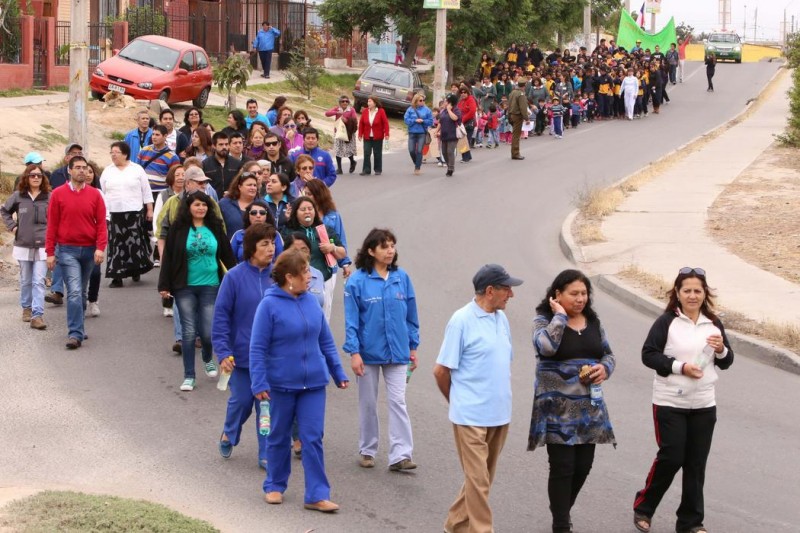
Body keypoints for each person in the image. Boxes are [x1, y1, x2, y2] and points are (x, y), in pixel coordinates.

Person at [633, 267, 734, 533]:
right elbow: (648, 355)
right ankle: (644, 507)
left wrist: (721, 348)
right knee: (672, 456)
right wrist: (680, 367)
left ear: (705, 294)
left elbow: (727, 362)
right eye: (686, 290)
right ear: (677, 293)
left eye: (697, 291)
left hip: (703, 403)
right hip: (670, 402)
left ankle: (690, 522)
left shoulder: (713, 323)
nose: (692, 295)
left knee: (696, 464)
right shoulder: (666, 322)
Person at [249, 249, 349, 511]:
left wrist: (338, 372)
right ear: (289, 277)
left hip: (314, 383)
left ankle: (317, 494)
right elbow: (257, 347)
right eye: (305, 272)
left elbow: (325, 340)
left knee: (312, 437)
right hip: (281, 384)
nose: (310, 277)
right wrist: (259, 382)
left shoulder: (310, 302)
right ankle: (274, 485)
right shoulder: (268, 305)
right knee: (279, 435)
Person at [433, 264, 523, 533]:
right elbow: (440, 371)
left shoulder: (501, 319)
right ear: (490, 290)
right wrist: (458, 402)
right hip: (470, 416)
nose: (511, 294)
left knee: (481, 480)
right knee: (478, 481)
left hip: (499, 414)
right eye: (507, 289)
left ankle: (454, 525)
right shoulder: (461, 320)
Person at [529, 269, 617, 533]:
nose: (581, 299)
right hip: (556, 409)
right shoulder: (543, 321)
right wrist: (559, 316)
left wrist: (605, 369)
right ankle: (561, 523)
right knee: (563, 466)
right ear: (558, 294)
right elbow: (545, 347)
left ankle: (561, 509)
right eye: (574, 294)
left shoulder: (593, 322)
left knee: (583, 467)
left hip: (588, 408)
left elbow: (609, 355)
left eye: (584, 293)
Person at [343, 228, 419, 471]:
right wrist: (354, 352)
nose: (390, 251)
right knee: (368, 402)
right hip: (367, 354)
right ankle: (368, 449)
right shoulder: (357, 281)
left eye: (392, 246)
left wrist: (413, 348)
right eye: (384, 246)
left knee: (398, 401)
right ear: (370, 250)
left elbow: (411, 316)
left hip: (398, 353)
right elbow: (351, 321)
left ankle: (401, 455)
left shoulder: (401, 278)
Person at [212, 223, 277, 469]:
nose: (270, 248)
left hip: (271, 358)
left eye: (272, 243)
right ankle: (230, 431)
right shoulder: (234, 277)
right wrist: (223, 352)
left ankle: (267, 452)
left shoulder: (279, 276)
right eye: (264, 244)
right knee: (241, 401)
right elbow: (221, 318)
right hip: (241, 356)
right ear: (251, 248)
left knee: (267, 406)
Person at [158, 191, 236, 391]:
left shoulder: (215, 227)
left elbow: (227, 253)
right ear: (189, 207)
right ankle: (189, 376)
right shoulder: (178, 229)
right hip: (184, 286)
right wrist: (164, 285)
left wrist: (238, 276)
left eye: (204, 205)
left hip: (211, 285)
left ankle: (208, 356)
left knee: (209, 332)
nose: (201, 208)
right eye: (197, 205)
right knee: (189, 331)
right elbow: (168, 257)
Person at [45, 156, 108, 349]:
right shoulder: (57, 194)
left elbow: (101, 224)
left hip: (89, 250)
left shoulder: (95, 194)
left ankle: (78, 328)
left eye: (85, 168)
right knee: (73, 292)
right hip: (67, 250)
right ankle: (74, 333)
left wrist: (100, 247)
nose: (82, 171)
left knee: (80, 292)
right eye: (78, 168)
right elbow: (52, 225)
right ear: (69, 171)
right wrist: (50, 252)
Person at [280, 196, 347, 320]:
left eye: (310, 208)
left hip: (323, 279)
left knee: (323, 316)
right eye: (303, 209)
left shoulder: (324, 230)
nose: (307, 212)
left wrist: (333, 248)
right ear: (295, 213)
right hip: (297, 280)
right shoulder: (288, 231)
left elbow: (343, 252)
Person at [1, 163, 51, 330]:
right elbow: (4, 211)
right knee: (26, 280)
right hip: (23, 244)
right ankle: (26, 308)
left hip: (43, 245)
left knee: (39, 280)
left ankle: (37, 315)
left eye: (39, 175)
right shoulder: (18, 196)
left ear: (43, 178)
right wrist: (13, 227)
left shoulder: (49, 197)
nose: (36, 177)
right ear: (26, 178)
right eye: (32, 175)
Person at [100, 141, 154, 288]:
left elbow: (146, 191)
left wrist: (149, 209)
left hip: (134, 212)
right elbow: (102, 193)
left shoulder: (137, 169)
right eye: (111, 152)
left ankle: (135, 269)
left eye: (116, 152)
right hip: (114, 213)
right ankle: (116, 276)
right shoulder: (107, 171)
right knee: (116, 245)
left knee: (134, 243)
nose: (113, 155)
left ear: (125, 153)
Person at [301, 178, 352, 319]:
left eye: (310, 194)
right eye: (305, 193)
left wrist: (345, 263)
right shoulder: (302, 215)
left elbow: (341, 240)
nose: (307, 197)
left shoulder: (333, 216)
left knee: (325, 306)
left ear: (319, 195)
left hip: (329, 267)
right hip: (307, 267)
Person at [229, 199, 284, 264]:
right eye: (254, 213)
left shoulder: (275, 234)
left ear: (267, 216)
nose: (258, 215)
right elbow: (230, 260)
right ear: (248, 215)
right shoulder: (238, 235)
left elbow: (280, 260)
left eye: (262, 213)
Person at [135, 125, 181, 199]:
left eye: (157, 135)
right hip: (144, 191)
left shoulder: (172, 156)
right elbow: (136, 170)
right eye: (153, 134)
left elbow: (174, 178)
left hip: (161, 193)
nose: (154, 137)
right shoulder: (144, 150)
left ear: (165, 136)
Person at [219, 170, 259, 239]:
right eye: (249, 185)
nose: (253, 188)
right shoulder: (224, 203)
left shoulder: (262, 204)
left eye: (255, 185)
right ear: (239, 187)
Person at [203, 132, 243, 198]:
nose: (224, 147)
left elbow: (241, 183)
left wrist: (232, 193)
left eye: (226, 144)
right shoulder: (205, 164)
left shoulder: (236, 163)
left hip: (232, 200)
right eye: (221, 144)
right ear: (214, 146)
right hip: (212, 201)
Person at [325, 95, 359, 175]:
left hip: (348, 132)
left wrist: (346, 120)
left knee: (348, 150)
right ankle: (339, 169)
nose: (345, 103)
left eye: (346, 101)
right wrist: (337, 112)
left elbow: (355, 120)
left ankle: (352, 162)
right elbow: (327, 113)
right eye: (343, 101)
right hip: (338, 132)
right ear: (340, 102)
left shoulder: (351, 110)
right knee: (338, 149)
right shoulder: (337, 109)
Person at [357, 96, 389, 176]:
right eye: (368, 101)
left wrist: (386, 134)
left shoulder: (381, 111)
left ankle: (378, 169)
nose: (368, 103)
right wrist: (360, 134)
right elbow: (361, 123)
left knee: (377, 153)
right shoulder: (365, 111)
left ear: (375, 103)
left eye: (370, 101)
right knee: (366, 152)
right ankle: (366, 170)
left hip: (378, 136)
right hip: (367, 136)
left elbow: (385, 123)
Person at [403, 93, 433, 176]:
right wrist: (415, 121)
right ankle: (417, 162)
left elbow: (431, 121)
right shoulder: (410, 109)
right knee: (411, 150)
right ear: (416, 101)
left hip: (422, 133)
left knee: (419, 150)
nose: (422, 102)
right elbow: (406, 120)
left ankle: (417, 167)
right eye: (420, 100)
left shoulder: (427, 110)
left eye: (423, 100)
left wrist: (423, 121)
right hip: (412, 132)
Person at [437, 94, 462, 177]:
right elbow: (441, 121)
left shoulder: (456, 110)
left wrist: (449, 110)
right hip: (444, 134)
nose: (445, 102)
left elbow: (455, 118)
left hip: (453, 134)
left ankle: (450, 168)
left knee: (450, 151)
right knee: (444, 152)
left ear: (451, 103)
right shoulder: (443, 111)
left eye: (446, 101)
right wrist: (436, 130)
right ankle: (449, 165)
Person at [508, 78, 530, 160]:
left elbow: (509, 105)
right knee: (516, 135)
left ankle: (514, 152)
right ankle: (515, 153)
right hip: (517, 116)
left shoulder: (512, 92)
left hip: (512, 114)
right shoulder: (521, 94)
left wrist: (508, 115)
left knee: (514, 134)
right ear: (524, 86)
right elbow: (523, 108)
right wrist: (526, 118)